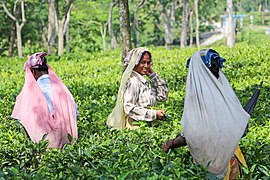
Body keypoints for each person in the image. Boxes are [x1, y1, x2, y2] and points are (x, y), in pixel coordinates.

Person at [161, 49, 249, 179]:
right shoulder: (225, 94)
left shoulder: (198, 99)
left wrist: (171, 143)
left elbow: (193, 135)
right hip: (233, 160)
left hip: (212, 167)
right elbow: (243, 131)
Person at [11, 52, 78, 148]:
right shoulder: (63, 89)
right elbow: (75, 113)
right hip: (68, 144)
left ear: (33, 72)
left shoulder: (31, 92)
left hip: (44, 146)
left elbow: (22, 119)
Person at [107, 47, 169, 130]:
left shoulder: (144, 82)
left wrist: (154, 76)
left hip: (147, 125)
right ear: (135, 63)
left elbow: (162, 96)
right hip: (136, 126)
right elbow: (129, 107)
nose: (146, 66)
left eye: (148, 62)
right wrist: (154, 114)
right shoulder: (133, 81)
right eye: (142, 63)